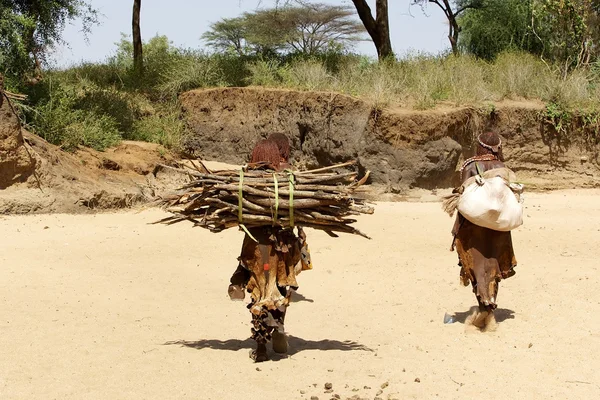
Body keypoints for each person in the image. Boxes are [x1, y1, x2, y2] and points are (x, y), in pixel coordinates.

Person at [228, 136, 312, 362]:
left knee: (257, 290)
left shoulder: (246, 178)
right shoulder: (287, 175)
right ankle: (279, 328)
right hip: (283, 247)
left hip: (257, 245)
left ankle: (261, 344)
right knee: (281, 287)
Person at [451, 132, 517, 330]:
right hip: (498, 226)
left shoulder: (469, 165)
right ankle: (490, 307)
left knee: (475, 265)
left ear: (480, 146)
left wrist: (457, 229)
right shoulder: (502, 168)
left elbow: (463, 195)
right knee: (493, 263)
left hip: (473, 226)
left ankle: (484, 309)